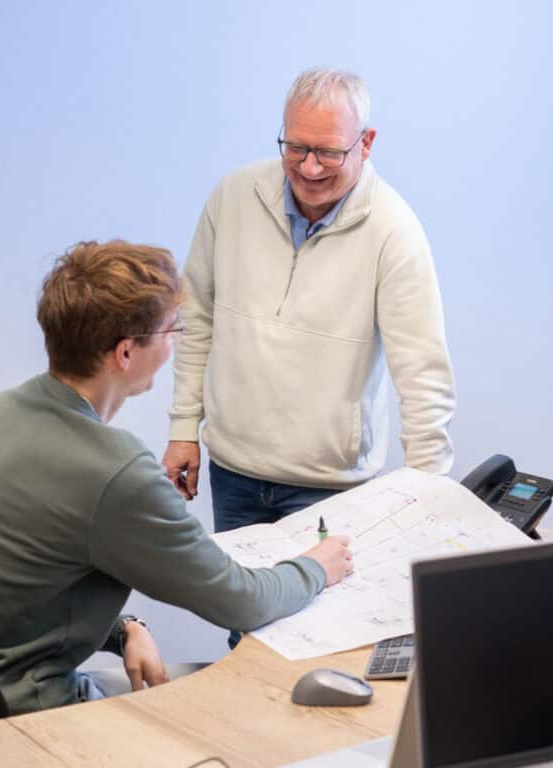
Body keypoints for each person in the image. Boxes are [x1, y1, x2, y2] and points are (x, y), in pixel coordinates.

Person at [0, 240, 352, 714]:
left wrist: (124, 629)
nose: (174, 343)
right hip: (19, 718)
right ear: (124, 352)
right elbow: (242, 602)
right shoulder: (113, 471)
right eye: (171, 329)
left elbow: (9, 592)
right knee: (246, 712)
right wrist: (317, 567)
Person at [163, 67, 456, 535]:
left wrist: (427, 492)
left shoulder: (394, 230)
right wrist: (183, 429)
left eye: (328, 152)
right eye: (296, 147)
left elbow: (423, 372)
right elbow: (195, 319)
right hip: (233, 474)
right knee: (236, 588)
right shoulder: (233, 197)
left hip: (331, 489)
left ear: (366, 143)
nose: (309, 167)